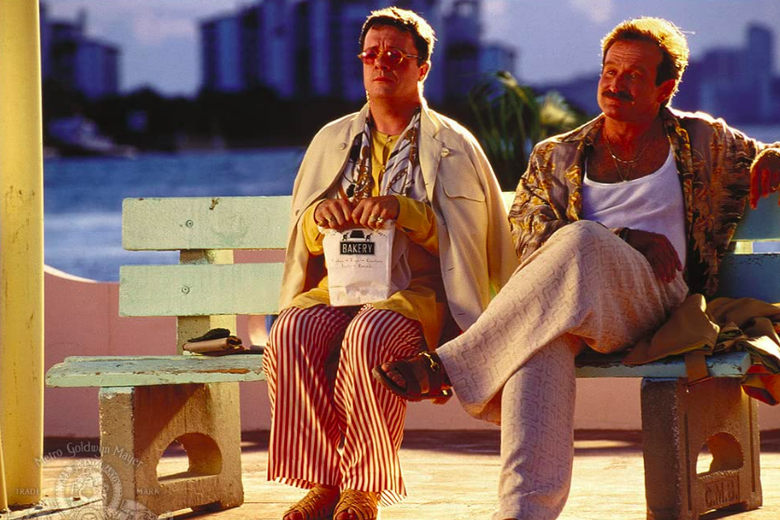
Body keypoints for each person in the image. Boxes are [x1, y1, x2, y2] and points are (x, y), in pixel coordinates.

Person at [374, 17, 780, 520]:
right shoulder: (555, 156)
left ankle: (448, 364)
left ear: (665, 88)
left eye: (634, 75)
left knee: (583, 240)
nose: (617, 83)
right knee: (540, 343)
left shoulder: (705, 142)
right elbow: (531, 242)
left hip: (661, 307)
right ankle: (524, 513)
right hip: (578, 307)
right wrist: (625, 238)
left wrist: (774, 156)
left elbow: (767, 154)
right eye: (610, 70)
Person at [262, 7, 516, 520]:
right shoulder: (332, 140)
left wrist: (407, 212)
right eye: (371, 54)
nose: (382, 64)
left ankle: (364, 486)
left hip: (421, 298)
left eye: (396, 56)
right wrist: (320, 217)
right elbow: (303, 238)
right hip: (341, 289)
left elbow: (470, 247)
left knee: (369, 335)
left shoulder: (451, 146)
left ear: (421, 68)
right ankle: (323, 482)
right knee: (290, 332)